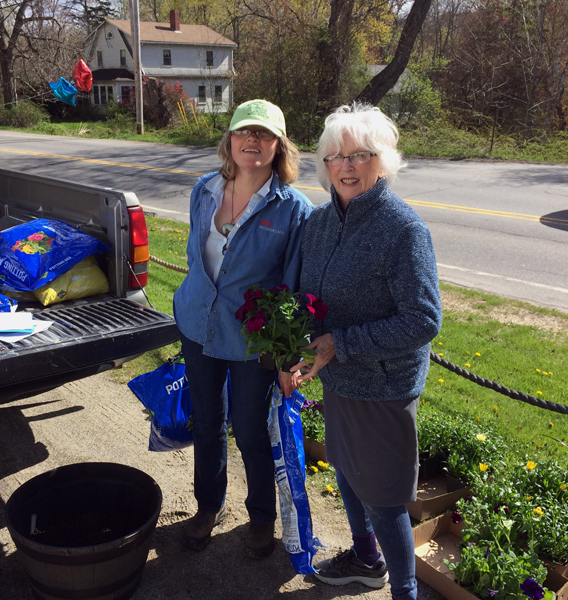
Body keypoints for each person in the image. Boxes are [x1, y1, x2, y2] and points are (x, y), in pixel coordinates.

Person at [280, 103, 441, 599]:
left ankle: (404, 591)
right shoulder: (321, 222)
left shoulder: (403, 230)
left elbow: (423, 319)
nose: (346, 166)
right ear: (324, 164)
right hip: (338, 378)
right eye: (335, 156)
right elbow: (311, 298)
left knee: (386, 498)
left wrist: (339, 344)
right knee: (348, 474)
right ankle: (367, 560)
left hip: (384, 386)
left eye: (360, 155)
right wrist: (293, 347)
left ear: (383, 162)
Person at [173, 99, 313, 558]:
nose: (252, 142)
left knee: (250, 428)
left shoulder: (293, 209)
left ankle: (261, 517)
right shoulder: (204, 191)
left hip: (254, 342)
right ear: (229, 140)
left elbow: (293, 287)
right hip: (199, 328)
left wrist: (287, 356)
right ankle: (207, 507)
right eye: (243, 133)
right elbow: (198, 260)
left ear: (279, 146)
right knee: (208, 422)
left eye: (264, 135)